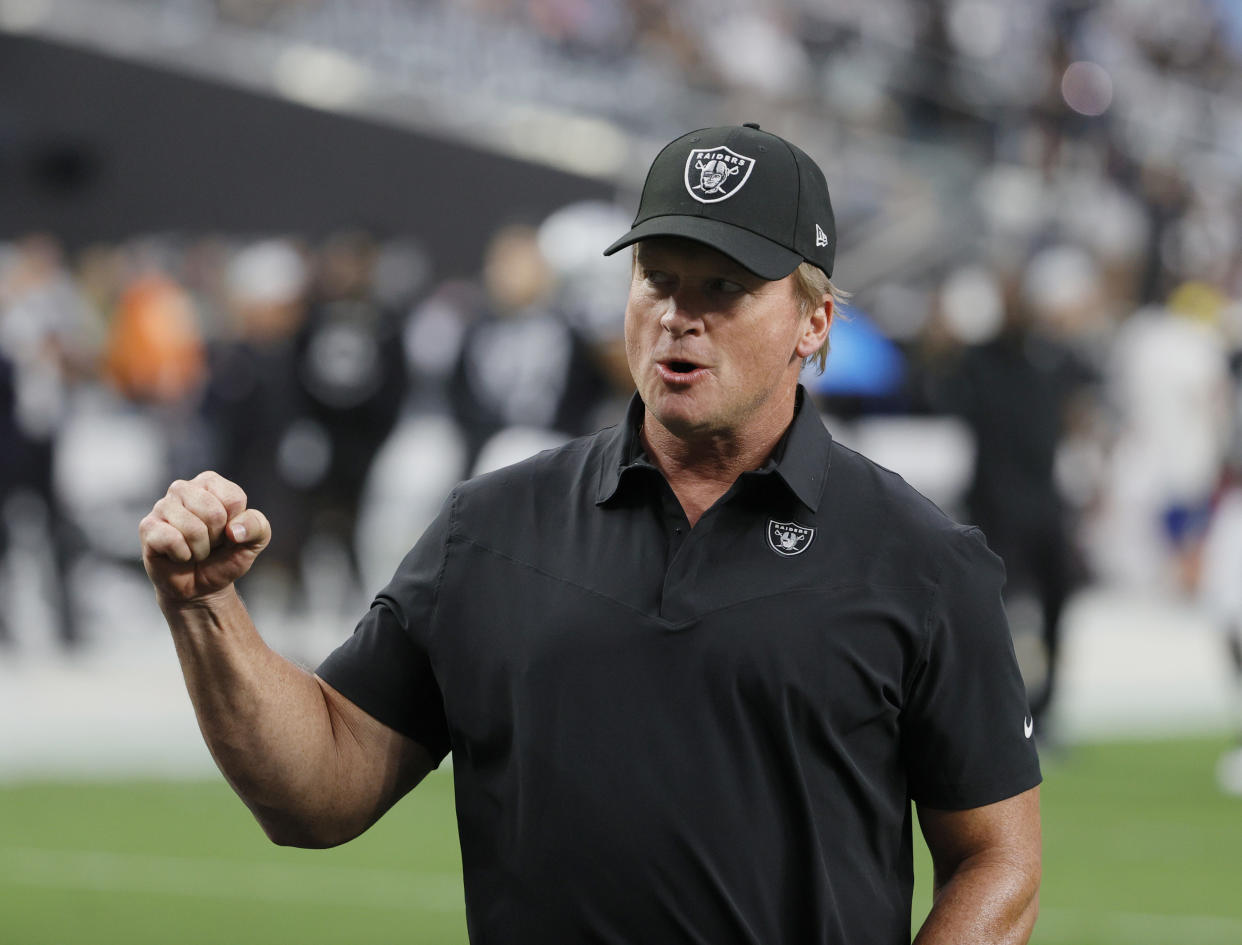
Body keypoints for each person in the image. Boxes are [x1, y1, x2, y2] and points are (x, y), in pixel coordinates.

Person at [140, 124, 1042, 945]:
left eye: (725, 286)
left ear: (814, 321)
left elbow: (999, 859)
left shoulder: (920, 561)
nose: (679, 315)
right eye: (658, 277)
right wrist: (207, 608)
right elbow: (318, 791)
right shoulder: (490, 529)